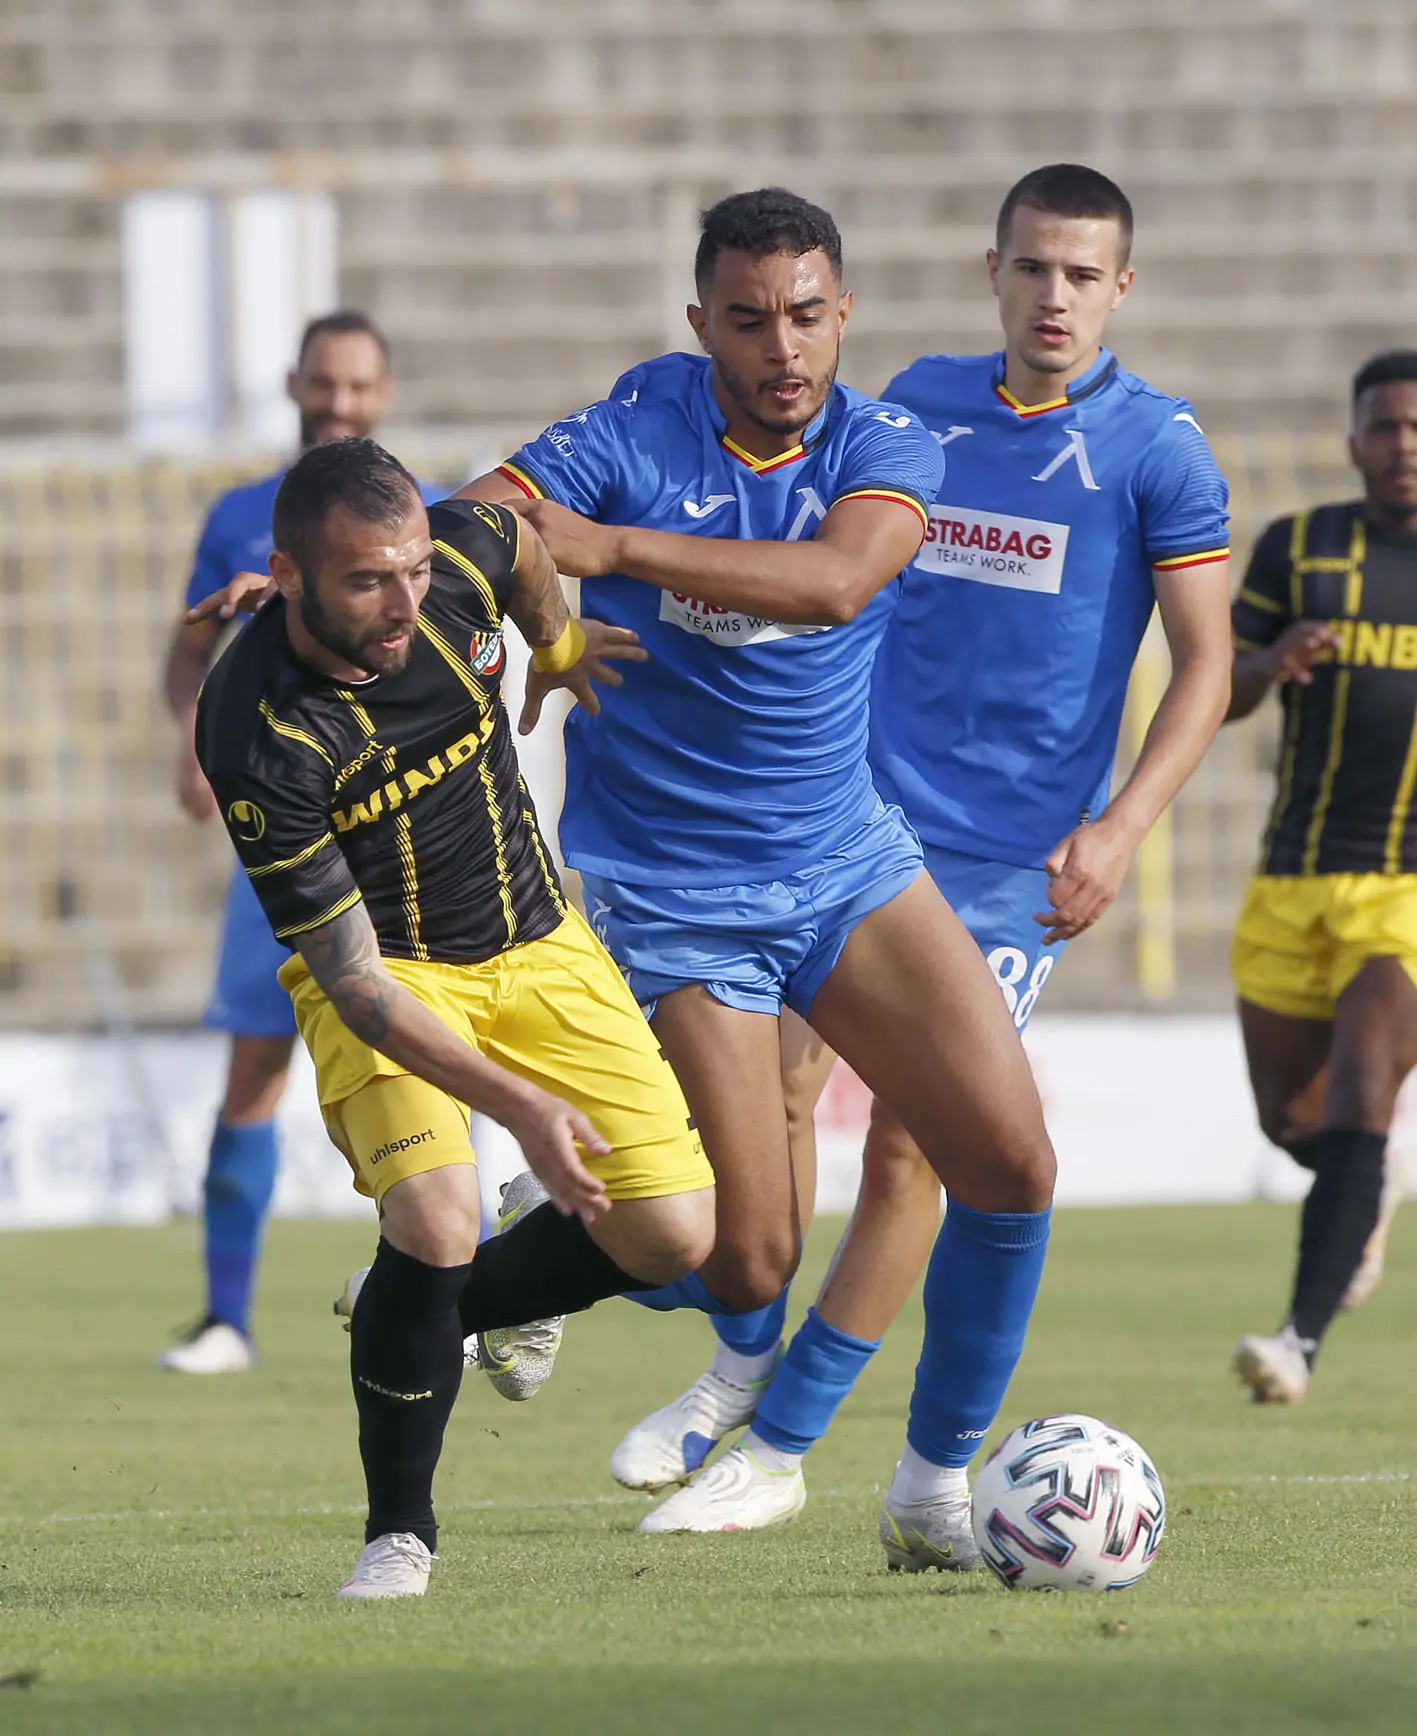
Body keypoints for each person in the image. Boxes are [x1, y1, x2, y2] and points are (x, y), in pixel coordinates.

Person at [619, 163, 1234, 1533]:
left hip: (1011, 857)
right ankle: (728, 1358)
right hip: (853, 821)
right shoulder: (916, 411)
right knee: (762, 1108)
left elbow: (1206, 664)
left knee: (916, 1144)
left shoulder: (1156, 450)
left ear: (1121, 287)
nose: (1054, 295)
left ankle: (802, 1451)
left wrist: (1120, 828)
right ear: (991, 271)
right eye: (1033, 267)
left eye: (1082, 274)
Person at [467, 187, 1059, 1571]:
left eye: (803, 315)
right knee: (746, 1261)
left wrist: (606, 551)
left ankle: (930, 1488)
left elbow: (838, 582)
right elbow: (478, 522)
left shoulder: (886, 441)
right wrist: (490, 606)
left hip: (846, 863)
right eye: (746, 320)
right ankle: (519, 1257)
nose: (780, 348)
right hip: (676, 893)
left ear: (843, 312)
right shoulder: (635, 423)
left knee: (1011, 1163)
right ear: (701, 323)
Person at [196, 437, 716, 1597]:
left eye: (413, 570)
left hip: (538, 938)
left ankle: (420, 1305)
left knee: (676, 1235)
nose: (402, 603)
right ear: (287, 576)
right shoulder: (255, 730)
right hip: (390, 976)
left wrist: (558, 642)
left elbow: (521, 538)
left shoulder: (459, 561)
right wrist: (522, 1110)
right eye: (365, 581)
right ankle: (400, 1536)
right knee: (438, 1219)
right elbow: (358, 988)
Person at [160, 311, 442, 1374]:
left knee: (438, 1050)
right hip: (285, 839)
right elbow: (187, 653)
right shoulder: (242, 516)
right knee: (254, 1066)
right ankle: (224, 1317)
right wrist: (193, 741)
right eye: (323, 384)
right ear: (294, 385)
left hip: (403, 835)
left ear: (385, 393)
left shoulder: (422, 514)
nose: (339, 404)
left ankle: (441, 1286)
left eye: (358, 387)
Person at [1227, 350, 1417, 1403]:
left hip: (1406, 890)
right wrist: (1268, 663)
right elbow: (1216, 690)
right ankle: (1367, 1184)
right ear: (1352, 441)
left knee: (1361, 1086)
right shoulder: (1299, 549)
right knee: (1292, 1118)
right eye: (1385, 426)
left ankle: (1296, 1340)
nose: (1403, 445)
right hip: (1293, 875)